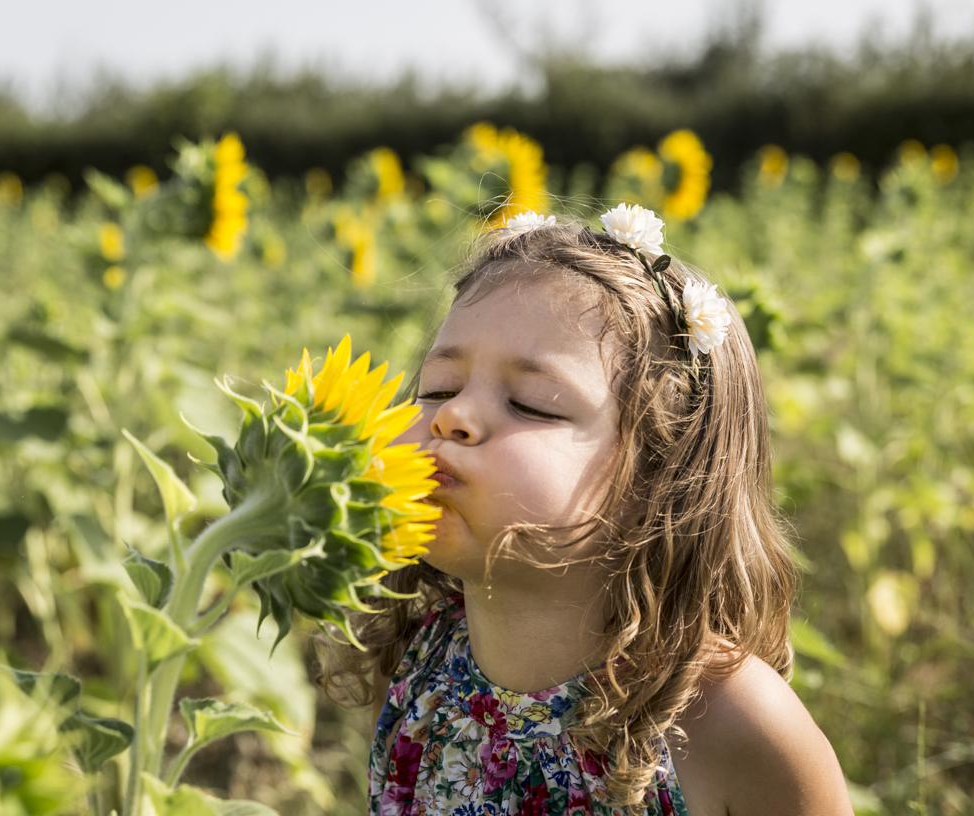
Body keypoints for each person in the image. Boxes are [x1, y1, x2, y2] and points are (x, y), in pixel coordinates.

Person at [318, 205, 854, 816]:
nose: (452, 416)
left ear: (658, 475)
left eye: (531, 403)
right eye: (438, 388)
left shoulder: (730, 722)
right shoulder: (419, 663)